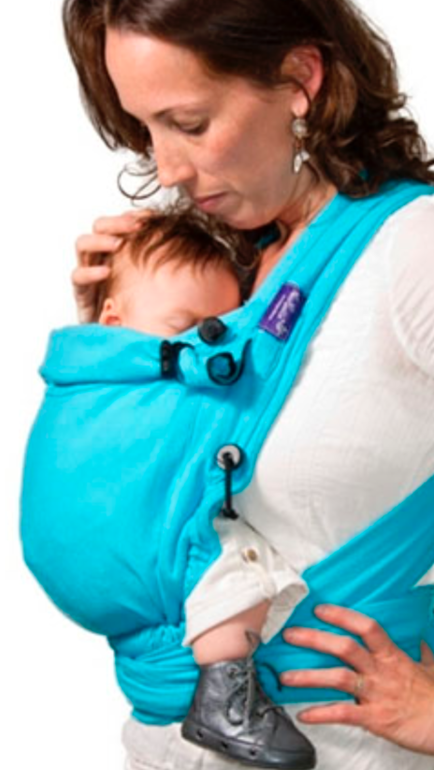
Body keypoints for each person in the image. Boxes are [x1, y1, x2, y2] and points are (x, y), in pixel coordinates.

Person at [37, 0, 434, 768]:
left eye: (188, 123)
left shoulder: (411, 251)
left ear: (300, 79)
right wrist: (121, 355)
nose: (167, 168)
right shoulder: (231, 270)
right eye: (145, 128)